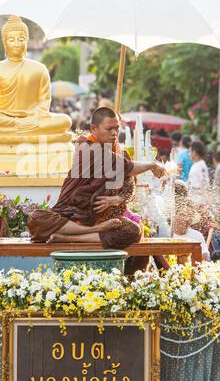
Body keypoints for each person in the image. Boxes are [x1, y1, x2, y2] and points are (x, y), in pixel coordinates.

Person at [28, 108, 166, 272]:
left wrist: (118, 199)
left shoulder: (116, 151)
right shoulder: (87, 148)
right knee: (36, 219)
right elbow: (128, 168)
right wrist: (152, 165)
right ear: (94, 129)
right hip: (73, 216)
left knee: (133, 230)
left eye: (117, 128)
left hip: (104, 219)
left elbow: (130, 186)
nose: (114, 133)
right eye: (109, 129)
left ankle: (69, 238)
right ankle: (92, 231)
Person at [187, 141, 210, 205]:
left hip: (197, 201)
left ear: (194, 152)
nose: (189, 154)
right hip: (199, 200)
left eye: (190, 151)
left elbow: (197, 186)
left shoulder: (198, 166)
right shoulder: (199, 164)